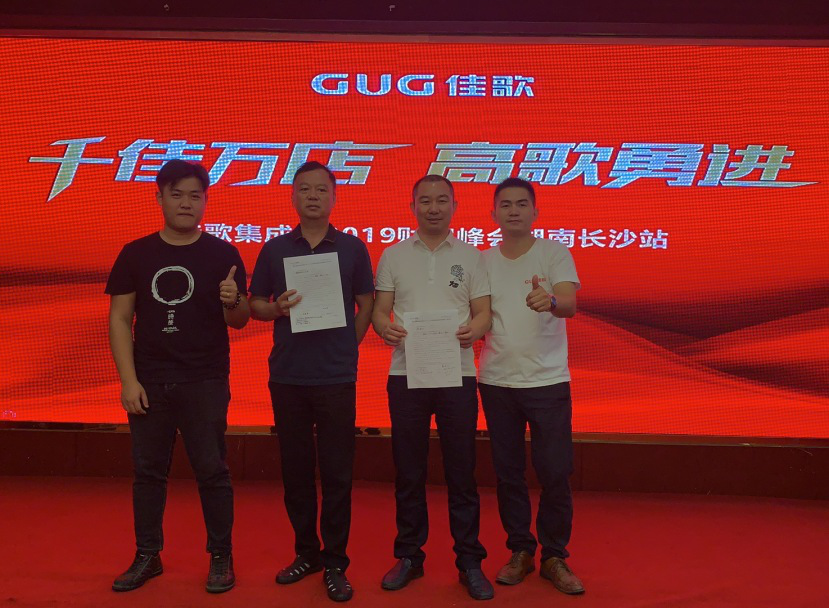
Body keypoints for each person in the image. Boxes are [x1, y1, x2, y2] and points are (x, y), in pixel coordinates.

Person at [106, 159, 249, 594]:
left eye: (195, 196)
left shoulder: (224, 254)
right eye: (177, 194)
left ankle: (221, 556)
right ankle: (147, 555)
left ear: (205, 201)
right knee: (148, 473)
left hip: (205, 379)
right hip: (149, 380)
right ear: (160, 198)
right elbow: (120, 318)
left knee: (212, 471)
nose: (186, 203)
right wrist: (129, 381)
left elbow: (240, 320)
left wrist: (232, 300)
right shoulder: (136, 253)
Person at [249, 161, 374, 603]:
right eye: (305, 189)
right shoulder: (275, 249)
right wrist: (276, 309)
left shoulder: (352, 248)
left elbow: (366, 303)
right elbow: (254, 305)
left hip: (336, 375)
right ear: (293, 197)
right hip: (288, 375)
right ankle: (306, 553)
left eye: (322, 189)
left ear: (334, 196)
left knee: (337, 473)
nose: (314, 196)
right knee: (296, 472)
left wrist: (348, 346)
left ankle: (336, 562)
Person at [372, 174, 494, 601]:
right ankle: (409, 555)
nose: (434, 208)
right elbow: (381, 311)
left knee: (462, 471)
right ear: (413, 207)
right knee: (409, 471)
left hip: (456, 374)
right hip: (406, 375)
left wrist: (475, 330)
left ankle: (469, 561)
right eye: (425, 201)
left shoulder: (472, 256)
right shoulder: (393, 255)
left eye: (442, 200)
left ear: (454, 206)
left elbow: (483, 312)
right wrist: (385, 328)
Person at [478, 177, 584, 594]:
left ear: (535, 212)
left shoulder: (553, 252)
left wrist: (551, 301)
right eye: (506, 205)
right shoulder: (482, 261)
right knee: (508, 474)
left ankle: (555, 555)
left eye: (522, 204)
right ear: (494, 214)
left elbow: (569, 303)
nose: (514, 211)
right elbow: (475, 312)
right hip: (497, 380)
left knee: (555, 471)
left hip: (547, 380)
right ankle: (520, 550)